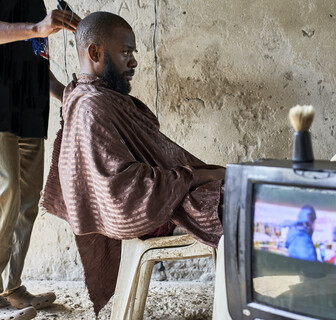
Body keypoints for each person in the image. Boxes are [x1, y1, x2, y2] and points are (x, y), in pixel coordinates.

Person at [41, 11, 225, 315]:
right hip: (160, 208)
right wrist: (195, 175)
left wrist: (202, 175)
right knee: (240, 207)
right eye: (127, 52)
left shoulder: (88, 97)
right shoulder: (90, 105)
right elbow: (124, 193)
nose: (134, 62)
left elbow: (72, 93)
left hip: (173, 190)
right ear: (96, 53)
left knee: (243, 190)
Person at [0, 1, 80, 319]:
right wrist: (38, 28)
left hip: (31, 114)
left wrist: (69, 93)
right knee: (7, 194)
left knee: (27, 202)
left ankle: (11, 286)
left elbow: (34, 63)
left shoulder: (37, 2)